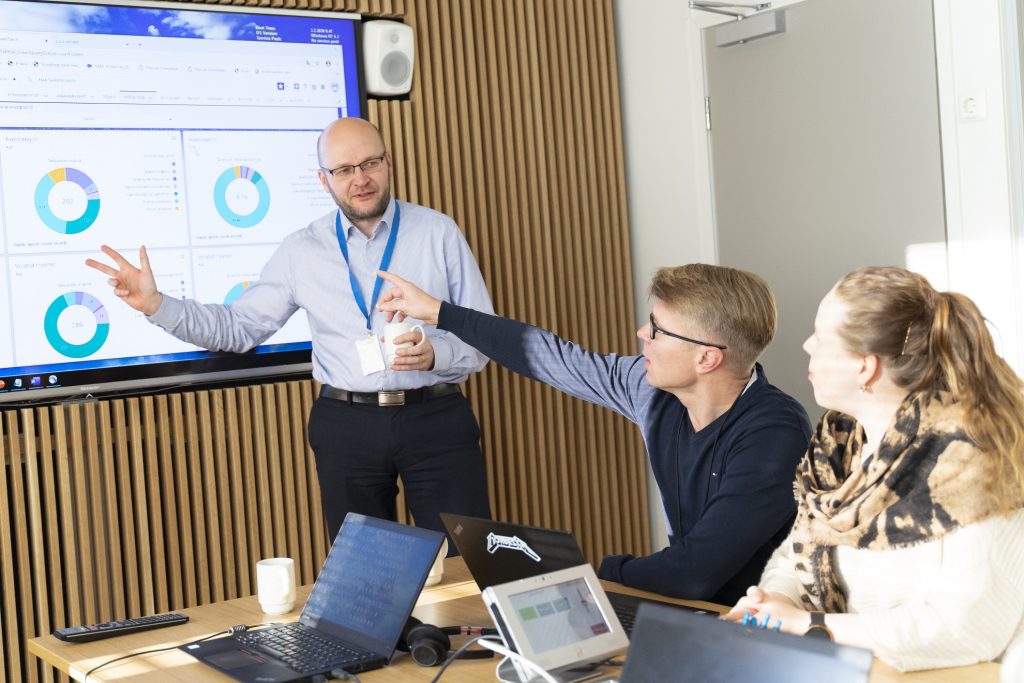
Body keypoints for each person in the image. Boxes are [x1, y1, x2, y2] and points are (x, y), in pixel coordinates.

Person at [86, 117, 494, 542]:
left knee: (465, 564)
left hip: (436, 418)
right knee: (363, 580)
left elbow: (482, 335)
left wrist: (436, 354)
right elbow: (239, 327)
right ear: (324, 180)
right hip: (347, 425)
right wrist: (156, 304)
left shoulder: (438, 232)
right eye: (344, 170)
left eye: (370, 163)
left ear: (388, 162)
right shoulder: (302, 250)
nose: (360, 179)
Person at [374, 264, 812, 605]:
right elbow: (547, 355)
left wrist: (597, 573)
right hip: (680, 608)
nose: (643, 334)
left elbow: (697, 571)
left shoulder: (774, 433)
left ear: (707, 359)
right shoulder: (651, 390)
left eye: (658, 330)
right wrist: (439, 312)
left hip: (753, 624)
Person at [724, 266, 1024, 671]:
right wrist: (776, 602)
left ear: (865, 367)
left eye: (822, 337)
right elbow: (792, 557)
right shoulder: (840, 446)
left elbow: (966, 628)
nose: (807, 344)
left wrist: (809, 626)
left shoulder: (971, 457)